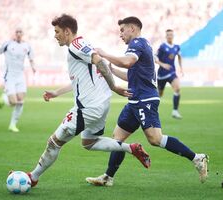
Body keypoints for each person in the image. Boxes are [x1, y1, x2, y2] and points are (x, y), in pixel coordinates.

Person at [25, 14, 151, 187]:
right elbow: (80, 78)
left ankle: (32, 177)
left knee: (54, 142)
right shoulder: (82, 47)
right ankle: (131, 148)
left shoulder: (76, 45)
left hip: (87, 108)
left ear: (67, 31)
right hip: (100, 106)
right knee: (89, 142)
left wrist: (114, 87)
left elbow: (99, 60)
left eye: (57, 31)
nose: (55, 35)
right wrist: (57, 93)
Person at [86, 17, 208, 186]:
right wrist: (111, 69)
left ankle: (197, 158)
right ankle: (108, 177)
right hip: (135, 99)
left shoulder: (137, 43)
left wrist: (104, 53)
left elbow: (127, 62)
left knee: (155, 139)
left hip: (145, 99)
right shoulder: (141, 46)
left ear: (133, 28)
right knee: (117, 139)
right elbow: (131, 76)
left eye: (122, 30)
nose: (120, 34)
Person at [0, 28, 36, 132]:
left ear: (23, 34)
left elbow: (31, 58)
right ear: (14, 34)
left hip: (20, 76)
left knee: (20, 101)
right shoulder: (7, 44)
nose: (18, 34)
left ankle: (13, 125)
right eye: (16, 32)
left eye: (20, 32)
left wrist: (33, 67)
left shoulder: (27, 46)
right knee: (13, 102)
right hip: (9, 76)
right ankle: (4, 98)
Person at [155, 29, 183, 119]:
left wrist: (181, 68)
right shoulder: (162, 46)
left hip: (172, 72)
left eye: (171, 35)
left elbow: (179, 57)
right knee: (159, 94)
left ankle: (175, 111)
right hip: (162, 74)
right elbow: (155, 58)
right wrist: (163, 65)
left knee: (177, 88)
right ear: (166, 36)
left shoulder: (177, 47)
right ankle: (154, 110)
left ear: (173, 36)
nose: (170, 36)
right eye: (168, 35)